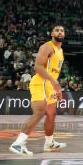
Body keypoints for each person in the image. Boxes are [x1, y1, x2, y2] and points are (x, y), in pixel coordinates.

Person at [9, 25, 67, 156]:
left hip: (50, 85)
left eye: (62, 30)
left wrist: (56, 88)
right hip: (41, 83)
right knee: (39, 112)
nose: (59, 32)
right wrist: (55, 82)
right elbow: (38, 67)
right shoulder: (47, 47)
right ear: (52, 33)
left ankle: (49, 143)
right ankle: (18, 143)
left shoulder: (60, 50)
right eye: (57, 30)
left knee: (51, 114)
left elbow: (53, 72)